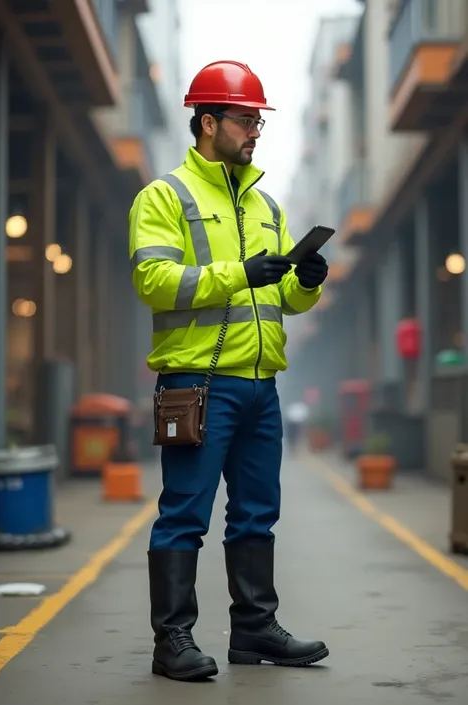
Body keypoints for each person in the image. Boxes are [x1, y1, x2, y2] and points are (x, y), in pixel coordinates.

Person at [129, 60, 329, 682]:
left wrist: (306, 284)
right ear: (207, 122)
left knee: (256, 512)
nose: (254, 131)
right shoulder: (166, 196)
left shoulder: (267, 204)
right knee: (184, 511)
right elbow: (155, 282)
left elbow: (280, 301)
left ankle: (254, 630)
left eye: (258, 121)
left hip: (260, 386)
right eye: (245, 120)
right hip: (196, 383)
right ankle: (173, 641)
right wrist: (240, 273)